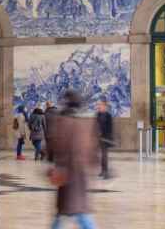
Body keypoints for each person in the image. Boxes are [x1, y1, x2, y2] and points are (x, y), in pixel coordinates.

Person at [48, 90, 98, 229]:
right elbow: (91, 150)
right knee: (77, 212)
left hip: (68, 176)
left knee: (72, 213)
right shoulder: (85, 122)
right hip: (78, 176)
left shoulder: (63, 122)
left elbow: (55, 147)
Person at [95, 99, 114, 178]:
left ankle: (105, 171)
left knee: (104, 155)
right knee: (101, 156)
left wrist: (108, 137)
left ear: (105, 106)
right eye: (99, 105)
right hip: (99, 138)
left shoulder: (108, 115)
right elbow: (96, 125)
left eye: (101, 105)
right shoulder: (98, 114)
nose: (99, 106)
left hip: (105, 138)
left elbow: (110, 128)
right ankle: (103, 170)